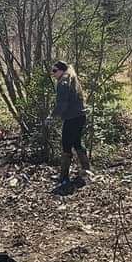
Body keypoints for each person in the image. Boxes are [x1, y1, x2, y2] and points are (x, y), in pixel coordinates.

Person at [50, 61, 91, 191]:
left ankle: (64, 177)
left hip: (72, 118)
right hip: (80, 117)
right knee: (77, 143)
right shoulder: (72, 79)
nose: (53, 73)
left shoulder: (63, 83)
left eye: (55, 70)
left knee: (66, 145)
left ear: (62, 71)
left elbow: (62, 104)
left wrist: (51, 116)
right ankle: (86, 171)